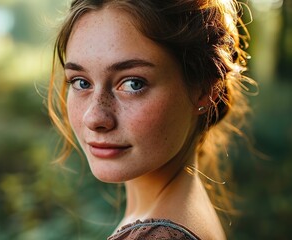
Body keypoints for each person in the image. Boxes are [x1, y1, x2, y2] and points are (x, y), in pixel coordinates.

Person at [47, 0, 255, 239]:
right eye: (81, 82)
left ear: (205, 89)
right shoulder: (176, 219)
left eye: (133, 83)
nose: (94, 117)